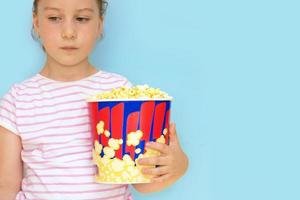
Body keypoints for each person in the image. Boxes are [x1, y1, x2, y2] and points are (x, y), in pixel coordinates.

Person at [0, 0, 189, 199]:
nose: (69, 32)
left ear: (99, 24)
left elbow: (141, 181)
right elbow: (6, 186)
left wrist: (178, 166)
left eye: (82, 18)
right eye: (54, 18)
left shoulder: (121, 92)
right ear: (37, 23)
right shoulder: (18, 100)